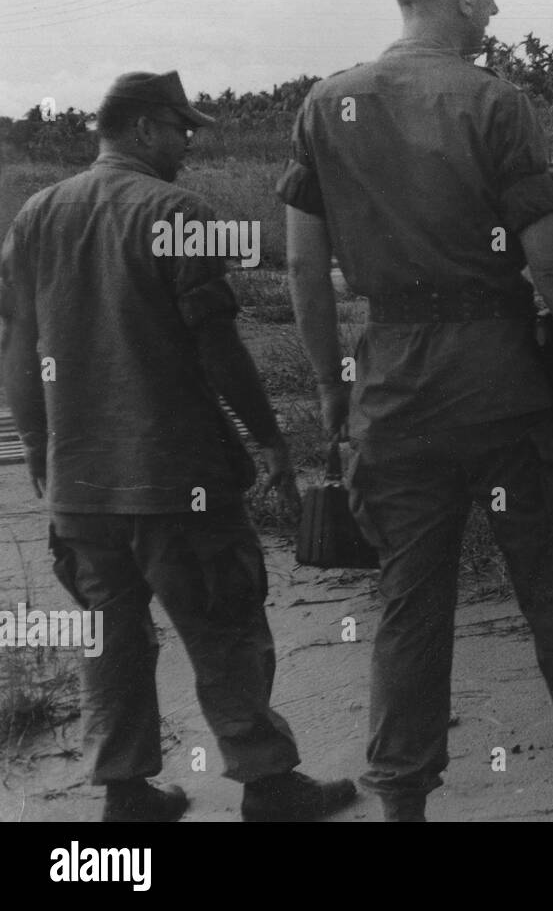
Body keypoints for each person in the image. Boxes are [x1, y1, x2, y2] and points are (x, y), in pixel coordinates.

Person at [277, 0, 553, 822]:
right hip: (503, 390)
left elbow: (304, 270)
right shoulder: (494, 103)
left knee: (409, 607)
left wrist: (334, 387)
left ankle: (403, 807)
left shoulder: (325, 106)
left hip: (392, 392)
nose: (494, 9)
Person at [0, 70, 358, 821]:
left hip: (82, 487)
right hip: (177, 478)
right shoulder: (176, 212)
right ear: (142, 129)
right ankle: (265, 782)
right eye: (181, 130)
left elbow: (19, 345)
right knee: (226, 626)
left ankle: (125, 790)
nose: (189, 144)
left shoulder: (37, 214)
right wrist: (269, 440)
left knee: (111, 641)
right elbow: (218, 347)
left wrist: (39, 447)